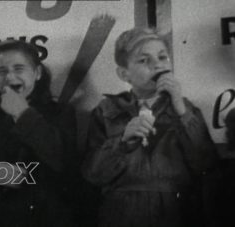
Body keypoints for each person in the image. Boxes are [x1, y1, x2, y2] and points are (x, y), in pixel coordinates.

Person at [82, 28, 218, 227]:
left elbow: (206, 164)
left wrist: (181, 111)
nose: (157, 65)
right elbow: (92, 175)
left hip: (176, 212)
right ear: (124, 74)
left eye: (163, 58)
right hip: (121, 213)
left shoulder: (185, 109)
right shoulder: (106, 110)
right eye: (144, 60)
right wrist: (121, 142)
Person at [0, 40, 76, 227]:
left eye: (19, 69)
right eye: (2, 71)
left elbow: (64, 165)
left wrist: (23, 114)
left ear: (37, 73)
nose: (10, 77)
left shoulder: (61, 113)